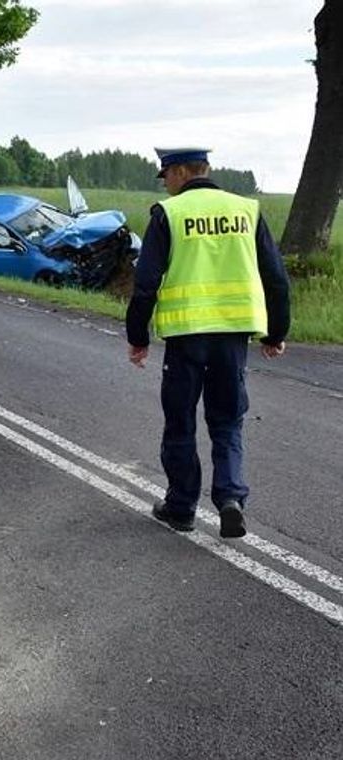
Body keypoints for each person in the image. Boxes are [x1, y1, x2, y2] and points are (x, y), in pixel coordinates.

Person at [126, 146, 290, 539]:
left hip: (186, 336)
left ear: (182, 172)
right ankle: (231, 499)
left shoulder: (169, 214)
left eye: (166, 174)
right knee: (228, 420)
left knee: (180, 420)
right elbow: (276, 277)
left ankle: (181, 508)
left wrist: (138, 337)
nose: (164, 182)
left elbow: (145, 283)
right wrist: (276, 332)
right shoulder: (246, 210)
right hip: (233, 337)